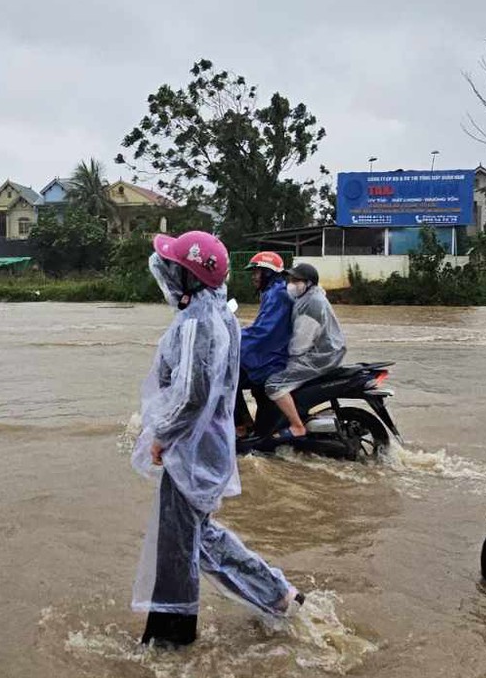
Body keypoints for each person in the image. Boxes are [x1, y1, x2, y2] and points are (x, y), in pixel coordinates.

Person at [133, 231, 301, 647]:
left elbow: (193, 395)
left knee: (177, 549)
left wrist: (162, 436)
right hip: (206, 447)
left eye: (174, 269)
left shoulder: (198, 324)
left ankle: (171, 641)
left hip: (191, 450)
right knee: (199, 536)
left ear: (188, 277)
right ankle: (279, 596)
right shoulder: (218, 314)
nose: (167, 275)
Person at [261, 261, 346, 443]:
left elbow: (299, 345)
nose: (290, 283)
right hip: (324, 352)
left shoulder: (311, 304)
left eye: (295, 280)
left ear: (308, 283)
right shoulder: (308, 297)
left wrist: (279, 351)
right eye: (290, 279)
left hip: (319, 357)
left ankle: (297, 426)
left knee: (273, 384)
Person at [235, 250, 292, 440]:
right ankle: (257, 427)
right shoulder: (273, 291)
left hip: (274, 358)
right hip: (274, 353)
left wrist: (233, 337)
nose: (254, 277)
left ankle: (242, 426)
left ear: (268, 273)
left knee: (228, 378)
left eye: (257, 272)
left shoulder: (277, 294)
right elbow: (262, 327)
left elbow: (263, 331)